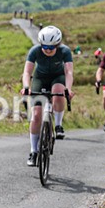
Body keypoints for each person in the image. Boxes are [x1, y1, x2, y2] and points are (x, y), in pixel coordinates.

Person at [21, 25, 74, 167]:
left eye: (51, 47)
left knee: (58, 92)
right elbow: (27, 72)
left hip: (58, 77)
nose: (48, 50)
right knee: (36, 115)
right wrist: (26, 87)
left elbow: (68, 72)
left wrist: (68, 89)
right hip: (40, 78)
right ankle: (33, 151)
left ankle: (58, 125)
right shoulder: (35, 51)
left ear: (57, 44)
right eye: (44, 46)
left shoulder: (65, 51)